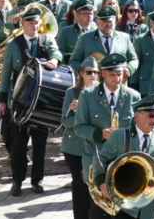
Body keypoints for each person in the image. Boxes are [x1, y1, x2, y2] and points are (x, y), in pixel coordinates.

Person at [0, 5, 63, 196]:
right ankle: (17, 181)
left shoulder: (46, 39)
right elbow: (5, 74)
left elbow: (57, 53)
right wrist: (2, 101)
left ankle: (37, 181)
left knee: (40, 144)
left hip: (41, 101)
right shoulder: (13, 45)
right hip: (19, 101)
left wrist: (55, 61)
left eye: (36, 23)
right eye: (30, 23)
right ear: (23, 23)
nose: (34, 26)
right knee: (18, 145)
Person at [92, 93, 154, 219]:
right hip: (123, 204)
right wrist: (101, 183)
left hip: (148, 205)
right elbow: (100, 159)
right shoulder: (119, 136)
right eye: (151, 115)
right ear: (138, 115)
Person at [74, 53, 141, 217]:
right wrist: (100, 134)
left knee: (123, 212)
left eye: (119, 74)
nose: (117, 79)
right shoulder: (88, 95)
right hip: (95, 161)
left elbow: (138, 131)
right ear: (102, 74)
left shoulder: (134, 96)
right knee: (98, 210)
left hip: (123, 163)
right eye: (112, 75)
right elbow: (79, 127)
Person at [61, 57, 99, 219]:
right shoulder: (71, 93)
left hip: (94, 146)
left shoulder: (101, 92)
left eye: (96, 72)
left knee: (94, 185)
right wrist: (77, 114)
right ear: (81, 74)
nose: (93, 75)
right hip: (74, 147)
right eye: (89, 72)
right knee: (79, 184)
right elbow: (65, 121)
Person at [69, 5, 139, 79]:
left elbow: (134, 59)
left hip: (118, 83)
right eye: (105, 21)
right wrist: (85, 72)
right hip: (94, 84)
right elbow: (74, 61)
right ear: (97, 22)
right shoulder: (85, 38)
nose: (108, 24)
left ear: (115, 21)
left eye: (110, 21)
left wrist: (129, 69)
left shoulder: (125, 38)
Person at [56, 0, 97, 64]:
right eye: (85, 14)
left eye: (91, 14)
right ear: (77, 15)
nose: (89, 17)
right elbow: (59, 52)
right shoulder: (66, 31)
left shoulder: (97, 31)